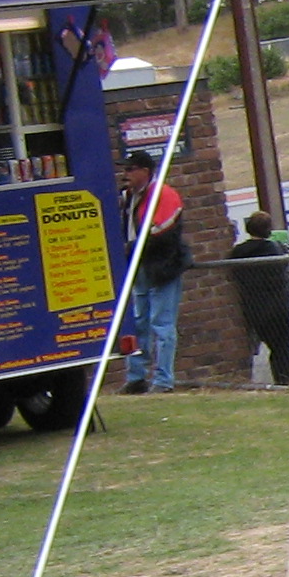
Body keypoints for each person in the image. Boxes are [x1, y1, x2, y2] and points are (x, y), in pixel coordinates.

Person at [119, 149, 188, 395]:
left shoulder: (164, 195)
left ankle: (163, 380)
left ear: (145, 171)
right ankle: (136, 377)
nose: (125, 174)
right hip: (139, 267)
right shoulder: (127, 197)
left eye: (130, 169)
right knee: (138, 323)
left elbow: (160, 231)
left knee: (162, 324)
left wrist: (130, 247)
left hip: (162, 267)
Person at [227, 210, 289, 386]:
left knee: (259, 344)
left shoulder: (238, 252)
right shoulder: (274, 249)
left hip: (253, 306)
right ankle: (285, 379)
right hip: (277, 304)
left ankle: (279, 379)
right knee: (282, 346)